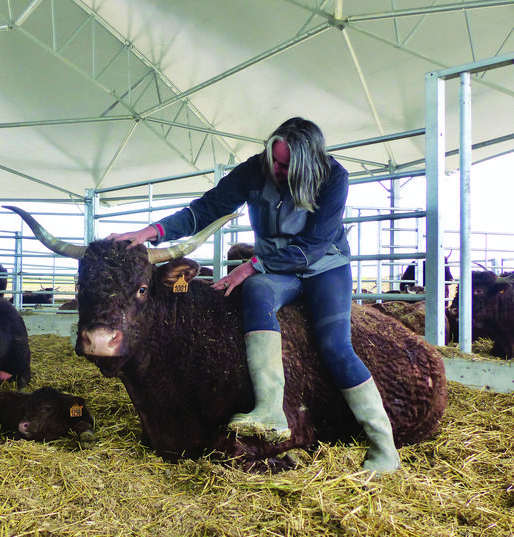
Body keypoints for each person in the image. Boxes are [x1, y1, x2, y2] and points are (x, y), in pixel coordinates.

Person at [108, 117, 401, 475]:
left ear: (308, 165)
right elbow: (205, 209)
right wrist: (151, 231)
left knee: (335, 346)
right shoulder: (255, 170)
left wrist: (251, 265)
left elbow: (314, 246)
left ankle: (383, 446)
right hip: (274, 271)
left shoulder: (334, 177)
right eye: (273, 160)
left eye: (285, 165)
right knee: (258, 291)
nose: (275, 169)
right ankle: (269, 409)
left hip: (325, 266)